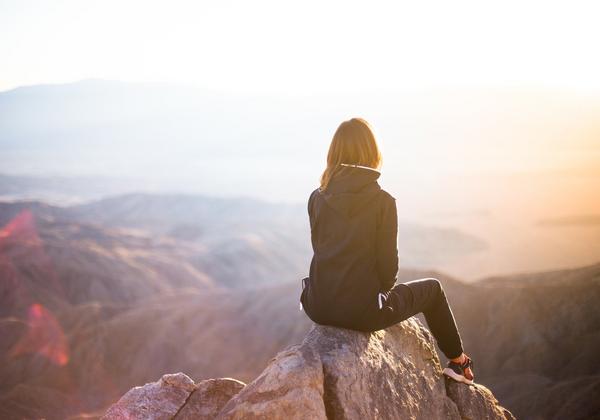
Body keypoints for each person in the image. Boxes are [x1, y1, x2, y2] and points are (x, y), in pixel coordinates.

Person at [299, 117, 474, 384]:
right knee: (434, 290)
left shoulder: (316, 196)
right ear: (372, 153)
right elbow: (388, 270)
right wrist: (376, 295)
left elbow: (321, 249)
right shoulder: (382, 202)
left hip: (317, 305)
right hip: (363, 313)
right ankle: (458, 362)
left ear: (333, 153)